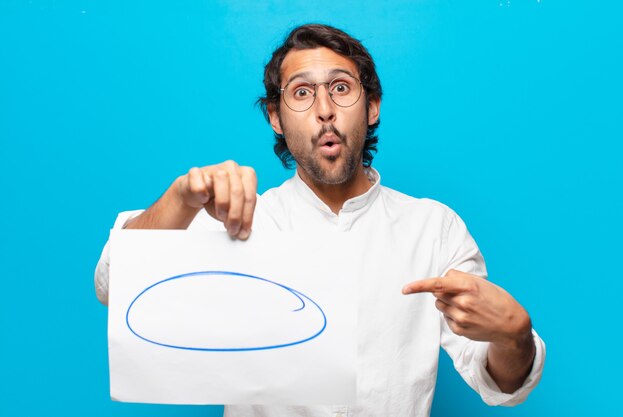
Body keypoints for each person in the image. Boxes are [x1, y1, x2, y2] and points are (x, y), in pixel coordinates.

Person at [95, 23, 545, 417]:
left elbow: (501, 384)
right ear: (276, 116)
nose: (325, 110)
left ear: (371, 108)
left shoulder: (434, 228)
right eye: (302, 93)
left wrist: (514, 336)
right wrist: (181, 199)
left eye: (342, 88)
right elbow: (114, 287)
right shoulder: (231, 217)